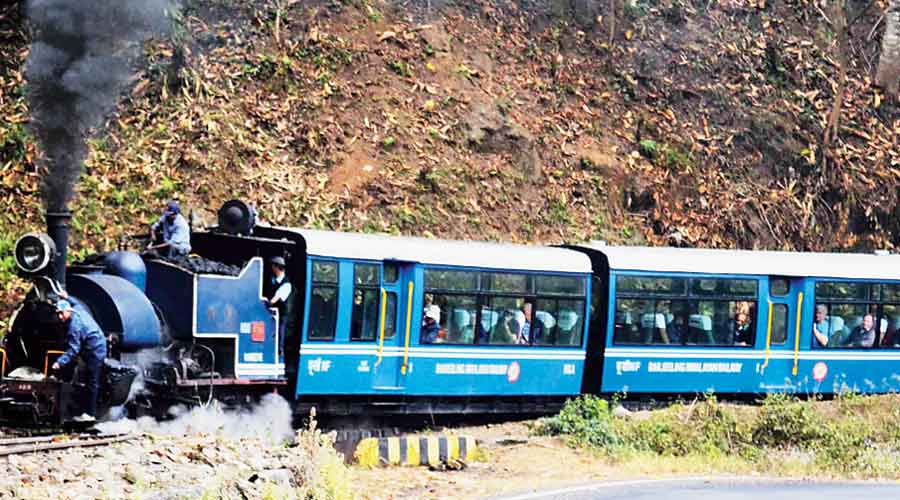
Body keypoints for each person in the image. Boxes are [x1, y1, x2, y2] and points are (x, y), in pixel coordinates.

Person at [50, 300, 107, 422]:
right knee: (85, 380)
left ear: (68, 311)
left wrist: (59, 362)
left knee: (92, 382)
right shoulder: (79, 310)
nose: (60, 317)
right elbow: (77, 303)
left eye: (61, 313)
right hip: (94, 345)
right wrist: (66, 297)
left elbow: (73, 349)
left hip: (94, 351)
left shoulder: (74, 327)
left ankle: (90, 414)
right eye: (58, 314)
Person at [264, 256, 293, 355]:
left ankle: (280, 350)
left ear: (277, 267)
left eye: (273, 266)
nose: (271, 268)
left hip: (281, 313)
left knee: (280, 329)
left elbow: (278, 295)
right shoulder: (272, 278)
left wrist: (270, 302)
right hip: (270, 311)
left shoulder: (287, 283)